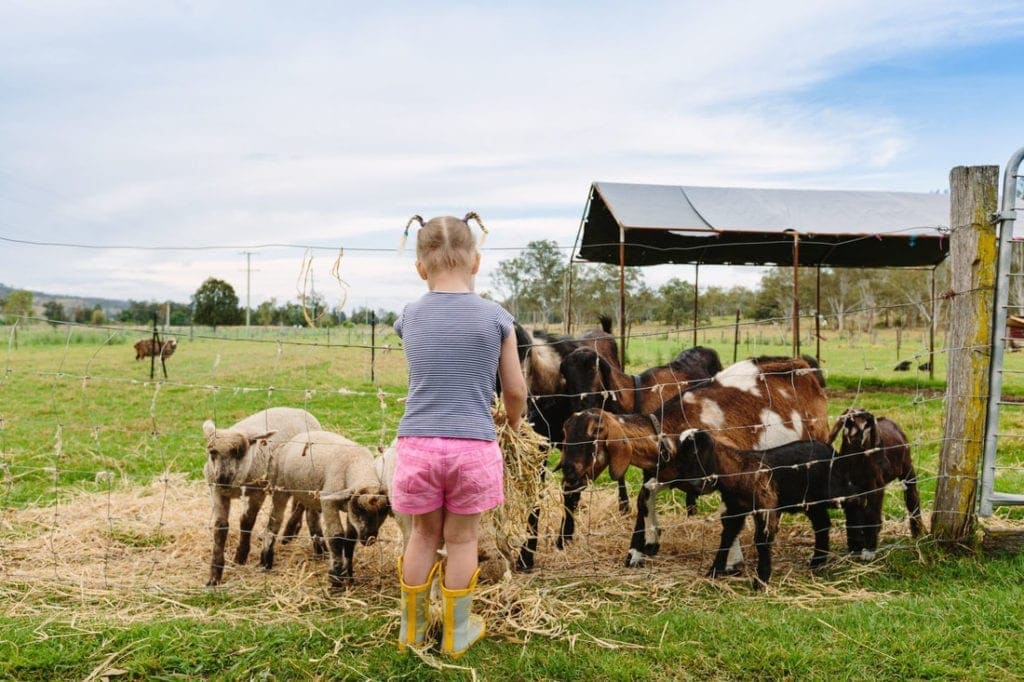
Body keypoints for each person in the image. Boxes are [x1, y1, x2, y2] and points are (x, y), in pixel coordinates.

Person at [392, 213, 527, 658]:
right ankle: (457, 632)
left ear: (420, 267)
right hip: (473, 446)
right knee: (463, 540)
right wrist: (513, 422)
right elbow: (514, 390)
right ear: (476, 262)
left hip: (418, 445)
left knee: (422, 536)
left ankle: (411, 631)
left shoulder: (409, 316)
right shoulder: (497, 318)